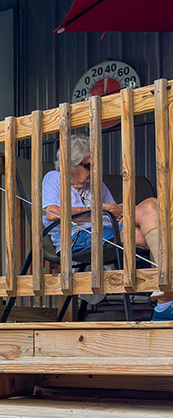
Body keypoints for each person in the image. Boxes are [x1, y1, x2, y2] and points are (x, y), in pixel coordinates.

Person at [42, 133, 172, 321]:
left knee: (147, 231)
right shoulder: (55, 178)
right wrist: (99, 209)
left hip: (106, 231)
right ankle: (166, 298)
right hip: (77, 238)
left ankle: (164, 301)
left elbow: (113, 217)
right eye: (88, 165)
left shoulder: (96, 185)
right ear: (70, 165)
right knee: (150, 209)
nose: (93, 171)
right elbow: (53, 213)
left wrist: (118, 211)